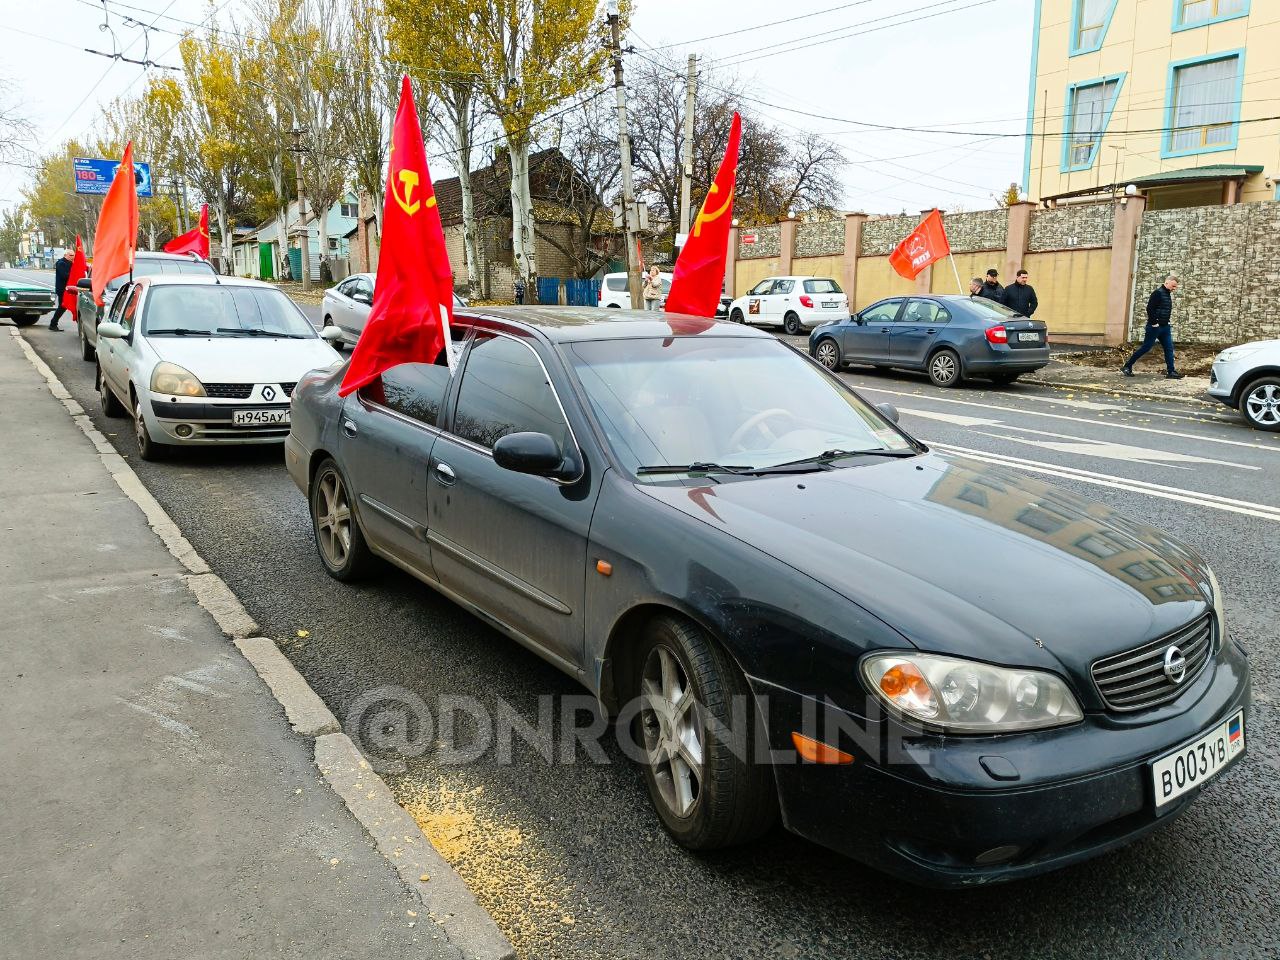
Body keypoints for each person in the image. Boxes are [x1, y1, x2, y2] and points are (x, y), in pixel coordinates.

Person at [1123, 274, 1183, 379]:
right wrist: (1155, 323)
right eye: (1173, 286)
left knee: (1169, 349)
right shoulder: (1157, 293)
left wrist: (1167, 322)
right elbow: (1150, 309)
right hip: (1154, 327)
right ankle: (1127, 366)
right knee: (1146, 348)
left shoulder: (1167, 294)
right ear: (1167, 282)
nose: (1174, 289)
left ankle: (1171, 372)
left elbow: (1164, 310)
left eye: (1175, 287)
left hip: (1165, 327)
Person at [49, 248, 75, 331]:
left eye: (73, 255)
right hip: (62, 289)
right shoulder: (61, 263)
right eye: (71, 255)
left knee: (65, 306)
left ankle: (53, 323)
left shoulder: (70, 263)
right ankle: (53, 324)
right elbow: (65, 275)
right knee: (62, 307)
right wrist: (74, 274)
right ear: (65, 255)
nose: (72, 257)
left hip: (69, 289)